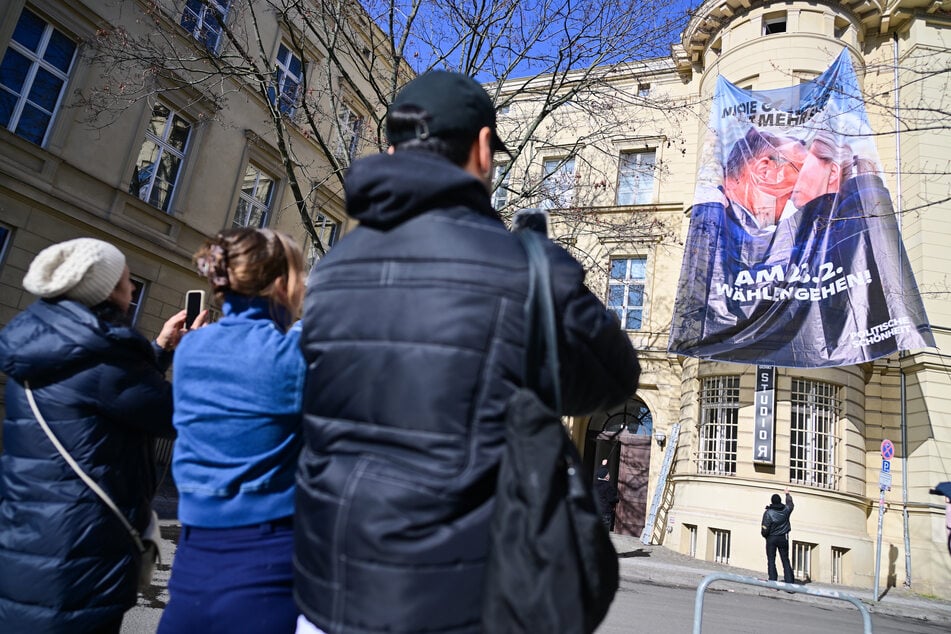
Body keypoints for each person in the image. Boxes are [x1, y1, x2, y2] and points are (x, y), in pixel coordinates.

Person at [294, 70, 640, 634]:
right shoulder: (522, 269)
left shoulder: (331, 270)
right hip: (458, 601)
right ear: (483, 149)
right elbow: (614, 379)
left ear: (390, 149)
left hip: (326, 590)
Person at [0, 237, 194, 633]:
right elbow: (177, 416)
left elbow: (111, 398)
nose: (133, 288)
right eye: (125, 280)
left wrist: (159, 349)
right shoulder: (106, 357)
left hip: (32, 535)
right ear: (104, 291)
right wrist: (194, 354)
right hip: (82, 548)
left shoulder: (48, 345)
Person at [157, 228, 306, 634]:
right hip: (267, 561)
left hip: (192, 558)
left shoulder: (190, 348)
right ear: (281, 284)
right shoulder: (294, 352)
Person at [761, 488, 795, 583]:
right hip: (783, 537)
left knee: (771, 560)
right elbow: (790, 504)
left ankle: (773, 581)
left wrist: (765, 536)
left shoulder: (768, 513)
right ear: (780, 501)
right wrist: (787, 494)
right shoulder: (786, 510)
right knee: (785, 560)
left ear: (772, 501)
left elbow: (765, 528)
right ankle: (789, 583)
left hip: (771, 538)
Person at [595, 464, 620, 531]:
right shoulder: (608, 487)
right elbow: (611, 499)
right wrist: (617, 499)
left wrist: (602, 465)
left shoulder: (595, 485)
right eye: (608, 474)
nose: (609, 475)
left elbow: (599, 472)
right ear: (606, 476)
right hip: (605, 513)